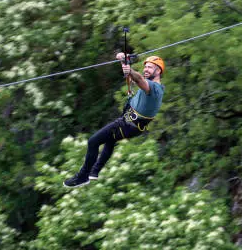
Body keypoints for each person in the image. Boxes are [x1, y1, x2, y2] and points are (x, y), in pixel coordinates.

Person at [63, 54, 166, 188]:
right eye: (145, 67)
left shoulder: (155, 88)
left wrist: (129, 69)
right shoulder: (148, 85)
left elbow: (138, 78)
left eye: (150, 68)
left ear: (158, 71)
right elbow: (135, 78)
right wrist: (124, 62)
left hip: (128, 125)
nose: (146, 69)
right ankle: (95, 171)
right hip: (130, 123)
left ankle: (82, 177)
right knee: (110, 140)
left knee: (93, 141)